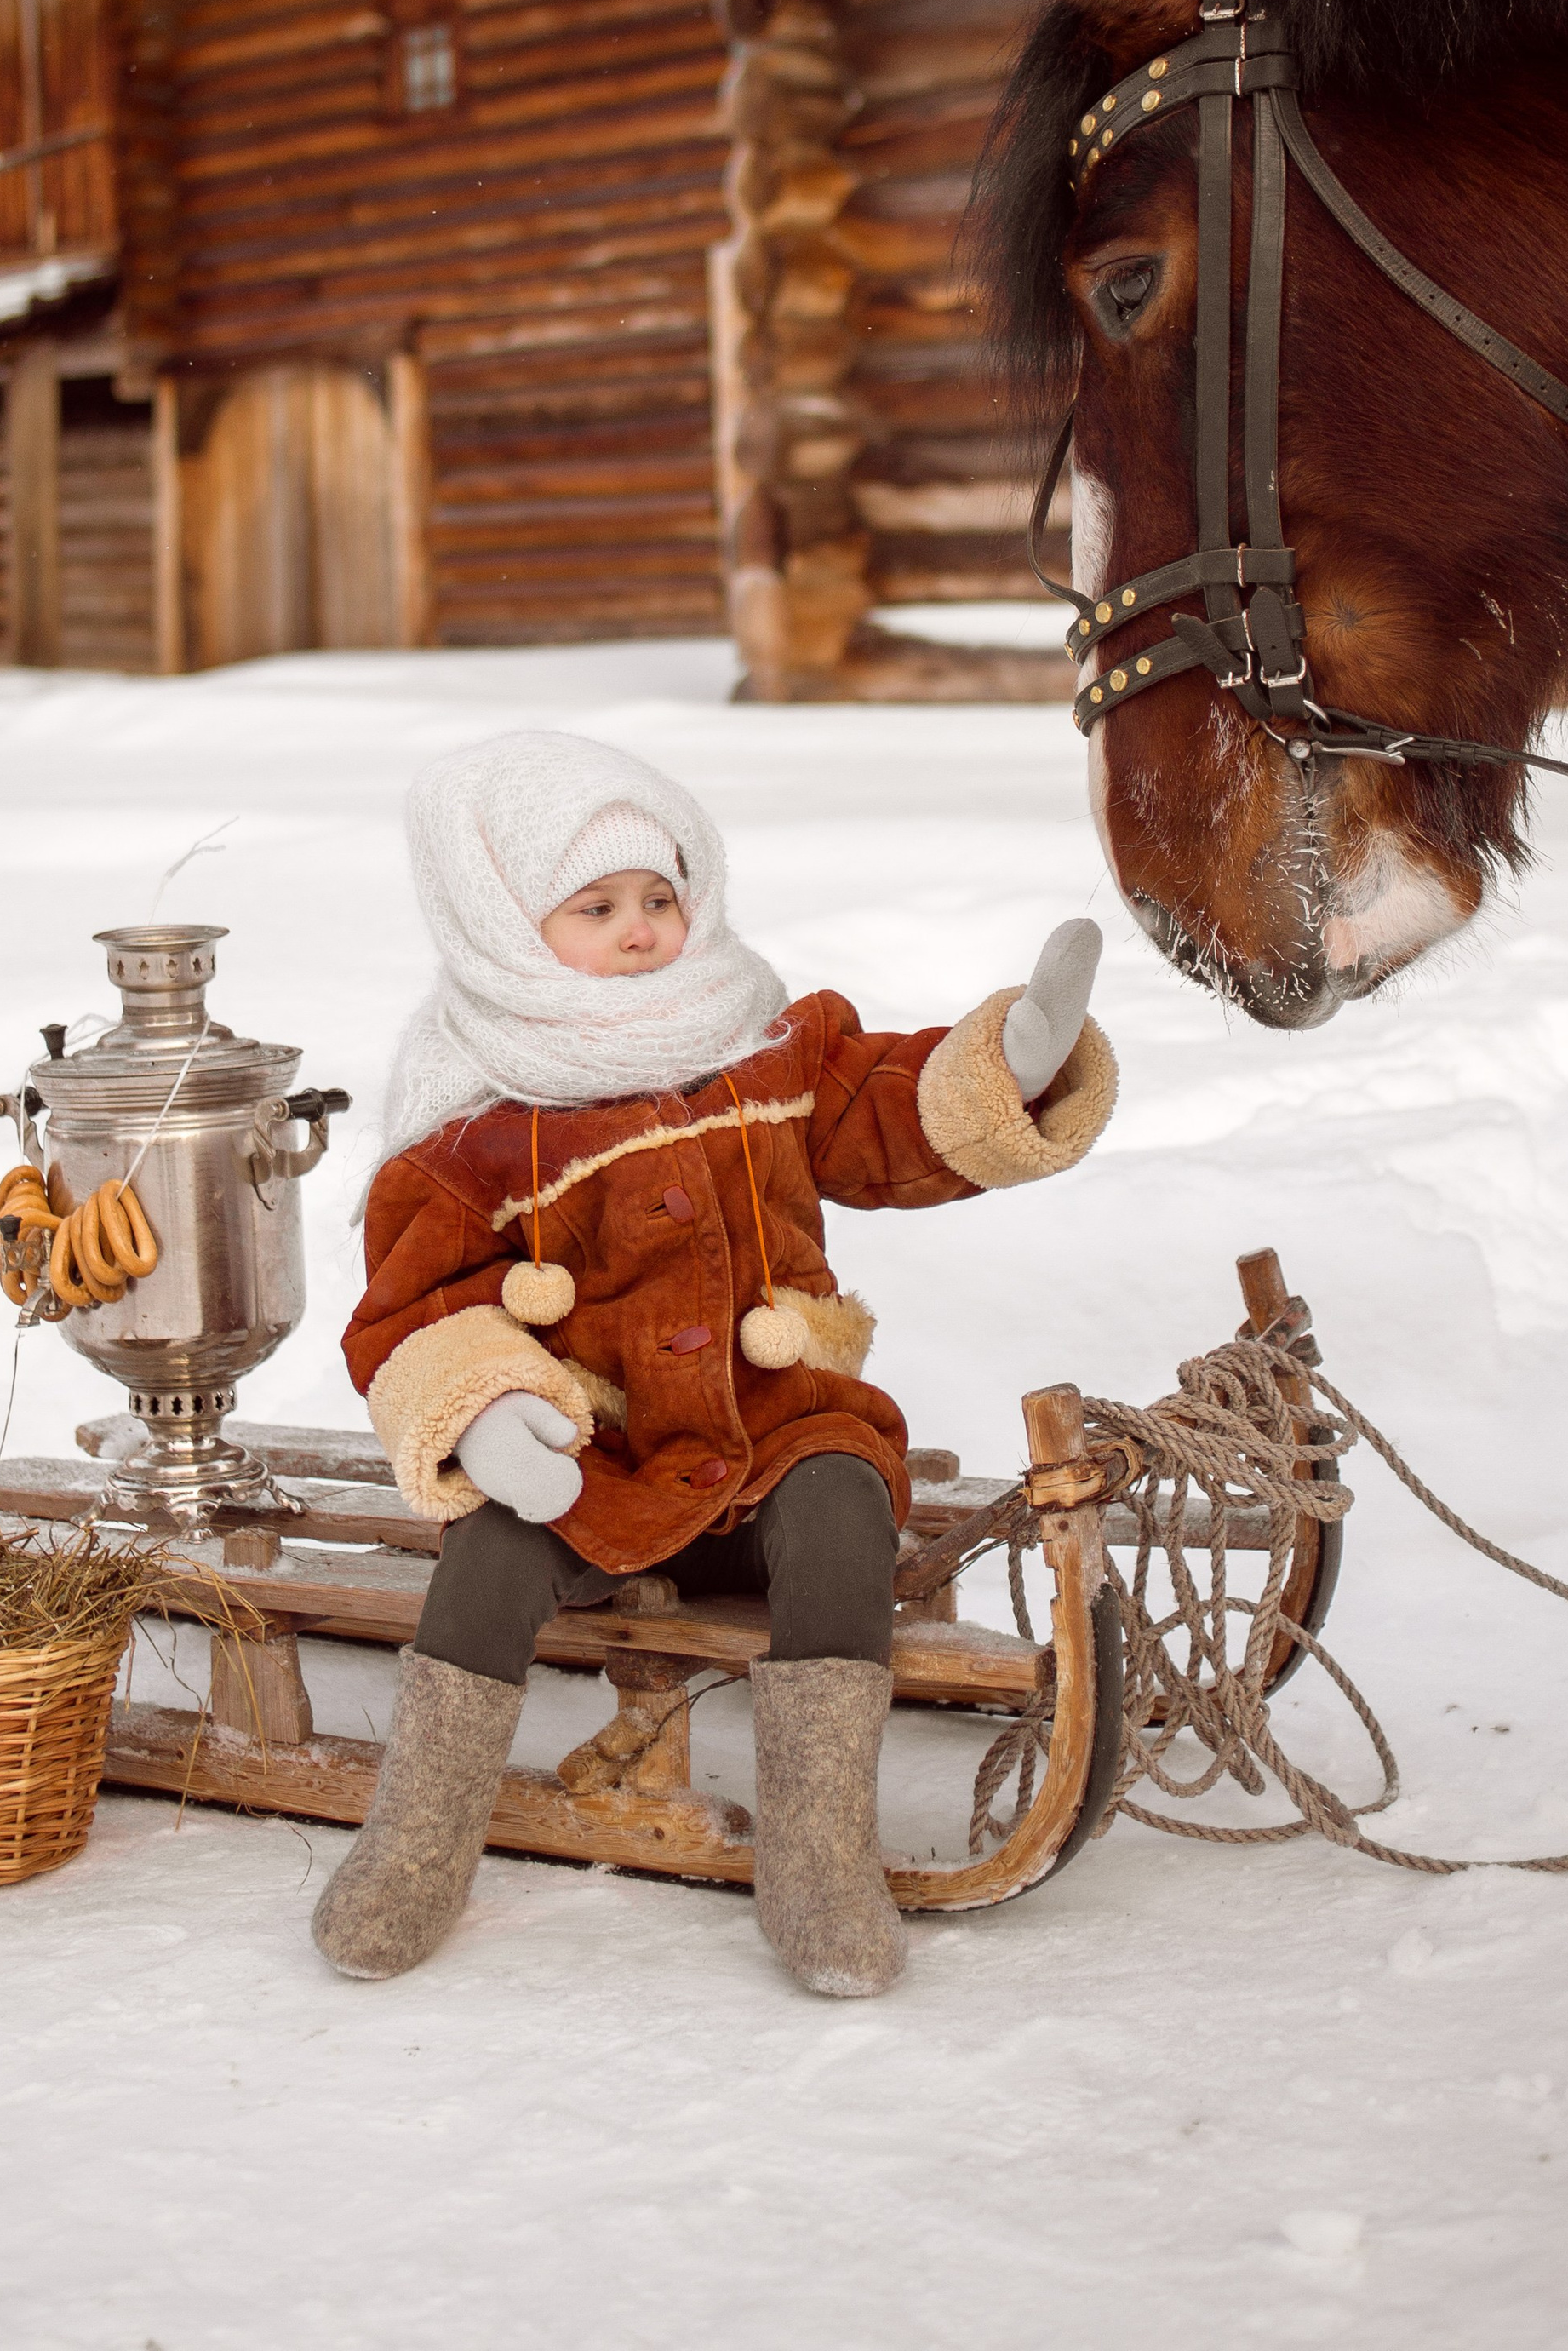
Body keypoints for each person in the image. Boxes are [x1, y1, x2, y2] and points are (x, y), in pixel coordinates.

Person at [312, 729, 1114, 1998]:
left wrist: (1005, 1068)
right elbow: (414, 1303)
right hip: (597, 1456)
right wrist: (483, 1407)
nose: (640, 931)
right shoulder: (474, 1113)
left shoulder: (761, 1042)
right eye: (596, 908)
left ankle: (819, 1857)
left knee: (846, 1504)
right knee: (488, 1552)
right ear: (506, 924)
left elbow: (878, 1113)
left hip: (772, 1430)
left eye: (659, 898)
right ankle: (416, 1841)